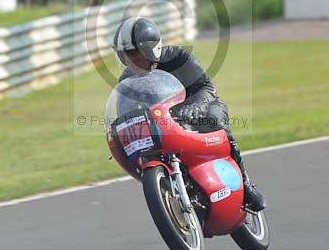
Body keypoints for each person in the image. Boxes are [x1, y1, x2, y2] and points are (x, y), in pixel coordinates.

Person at [112, 17, 266, 212]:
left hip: (200, 107)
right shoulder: (126, 81)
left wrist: (194, 106)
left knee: (215, 119)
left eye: (135, 54)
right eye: (125, 55)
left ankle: (245, 185)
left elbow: (207, 87)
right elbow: (125, 114)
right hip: (162, 125)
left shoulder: (178, 57)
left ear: (152, 49)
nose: (131, 60)